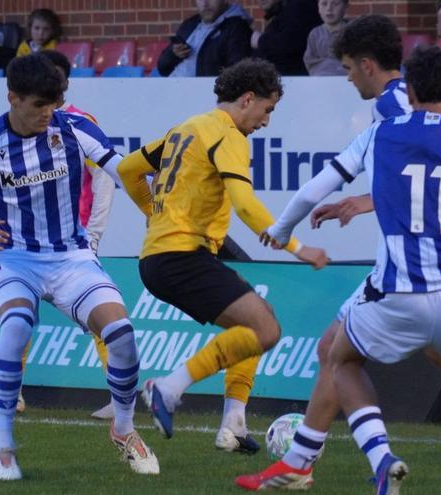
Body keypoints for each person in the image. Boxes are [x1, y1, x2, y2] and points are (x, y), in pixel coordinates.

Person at [236, 16, 441, 491]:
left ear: (372, 68)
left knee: (349, 356)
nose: (347, 78)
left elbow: (408, 167)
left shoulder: (392, 111)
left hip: (404, 273)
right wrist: (365, 201)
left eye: (349, 68)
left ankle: (338, 460)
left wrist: (285, 228)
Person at [0, 53, 158, 480]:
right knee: (16, 327)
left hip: (71, 257)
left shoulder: (74, 128)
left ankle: (124, 429)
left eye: (53, 104)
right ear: (12, 98)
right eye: (38, 105)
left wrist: (157, 202)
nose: (47, 113)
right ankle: (2, 449)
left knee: (122, 334)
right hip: (14, 260)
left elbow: (122, 171)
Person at [117, 58, 328, 453]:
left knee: (256, 321)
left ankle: (234, 424)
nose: (266, 121)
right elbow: (245, 204)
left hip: (160, 258)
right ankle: (168, 388)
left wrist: (153, 213)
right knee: (266, 331)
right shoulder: (229, 135)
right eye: (267, 109)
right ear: (248, 99)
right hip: (181, 256)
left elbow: (128, 169)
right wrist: (298, 248)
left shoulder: (187, 128)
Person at [0, 49, 119, 421]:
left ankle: (119, 395)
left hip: (72, 240)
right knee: (18, 317)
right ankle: (10, 393)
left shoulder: (77, 123)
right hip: (26, 243)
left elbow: (105, 179)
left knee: (102, 318)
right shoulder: (16, 127)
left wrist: (94, 232)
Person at [157, 0, 252, 77]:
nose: (205, 4)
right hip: (171, 86)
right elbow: (162, 68)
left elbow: (238, 73)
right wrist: (173, 54)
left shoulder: (237, 28)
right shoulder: (190, 24)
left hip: (203, 90)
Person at [251, 0, 322, 75]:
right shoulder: (287, 9)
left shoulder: (298, 6)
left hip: (296, 79)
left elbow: (288, 45)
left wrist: (260, 41)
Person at [303, 0, 348, 75]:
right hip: (321, 79)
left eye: (335, 4)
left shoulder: (351, 33)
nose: (329, 8)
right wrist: (331, 65)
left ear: (345, 7)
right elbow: (309, 61)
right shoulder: (315, 34)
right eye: (324, 3)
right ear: (318, 7)